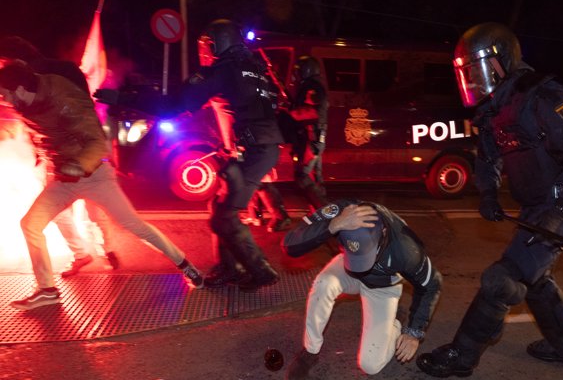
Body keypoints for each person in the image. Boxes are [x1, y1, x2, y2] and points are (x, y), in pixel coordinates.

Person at [417, 22, 563, 378]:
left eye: (477, 69)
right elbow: (487, 158)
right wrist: (487, 192)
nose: (473, 80)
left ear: (502, 61)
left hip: (561, 204)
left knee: (500, 279)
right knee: (535, 279)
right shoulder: (493, 110)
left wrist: (561, 210)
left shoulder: (542, 97)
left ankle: (462, 355)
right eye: (467, 73)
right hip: (535, 207)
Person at [0, 62, 204, 311]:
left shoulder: (62, 97)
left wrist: (79, 165)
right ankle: (47, 290)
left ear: (20, 89)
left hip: (93, 175)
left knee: (134, 225)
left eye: (6, 93)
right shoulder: (28, 100)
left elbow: (97, 143)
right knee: (30, 225)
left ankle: (185, 265)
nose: (5, 99)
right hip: (63, 178)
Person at [282, 200, 442, 380]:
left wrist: (414, 332)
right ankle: (310, 351)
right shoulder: (341, 212)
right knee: (324, 283)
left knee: (371, 365)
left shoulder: (406, 248)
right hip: (347, 266)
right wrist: (333, 225)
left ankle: (395, 321)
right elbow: (289, 245)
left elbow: (432, 284)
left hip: (382, 287)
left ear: (383, 234)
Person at [0, 35, 120, 274]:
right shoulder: (66, 68)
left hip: (62, 150)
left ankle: (82, 253)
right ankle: (107, 249)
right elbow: (86, 105)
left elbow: (38, 115)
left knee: (58, 209)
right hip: (79, 145)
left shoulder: (29, 80)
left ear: (16, 59)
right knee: (94, 202)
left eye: (4, 63)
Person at [182, 19, 285, 290]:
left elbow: (186, 102)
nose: (205, 52)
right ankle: (230, 267)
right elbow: (267, 104)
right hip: (250, 148)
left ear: (220, 43)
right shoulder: (250, 69)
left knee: (225, 215)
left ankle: (260, 270)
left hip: (254, 150)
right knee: (219, 208)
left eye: (209, 45)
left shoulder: (227, 70)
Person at [287, 55, 329, 209]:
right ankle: (319, 213)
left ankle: (324, 212)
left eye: (299, 70)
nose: (297, 74)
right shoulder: (314, 85)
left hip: (310, 137)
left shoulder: (312, 87)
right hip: (314, 137)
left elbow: (312, 112)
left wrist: (290, 113)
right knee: (315, 177)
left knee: (303, 176)